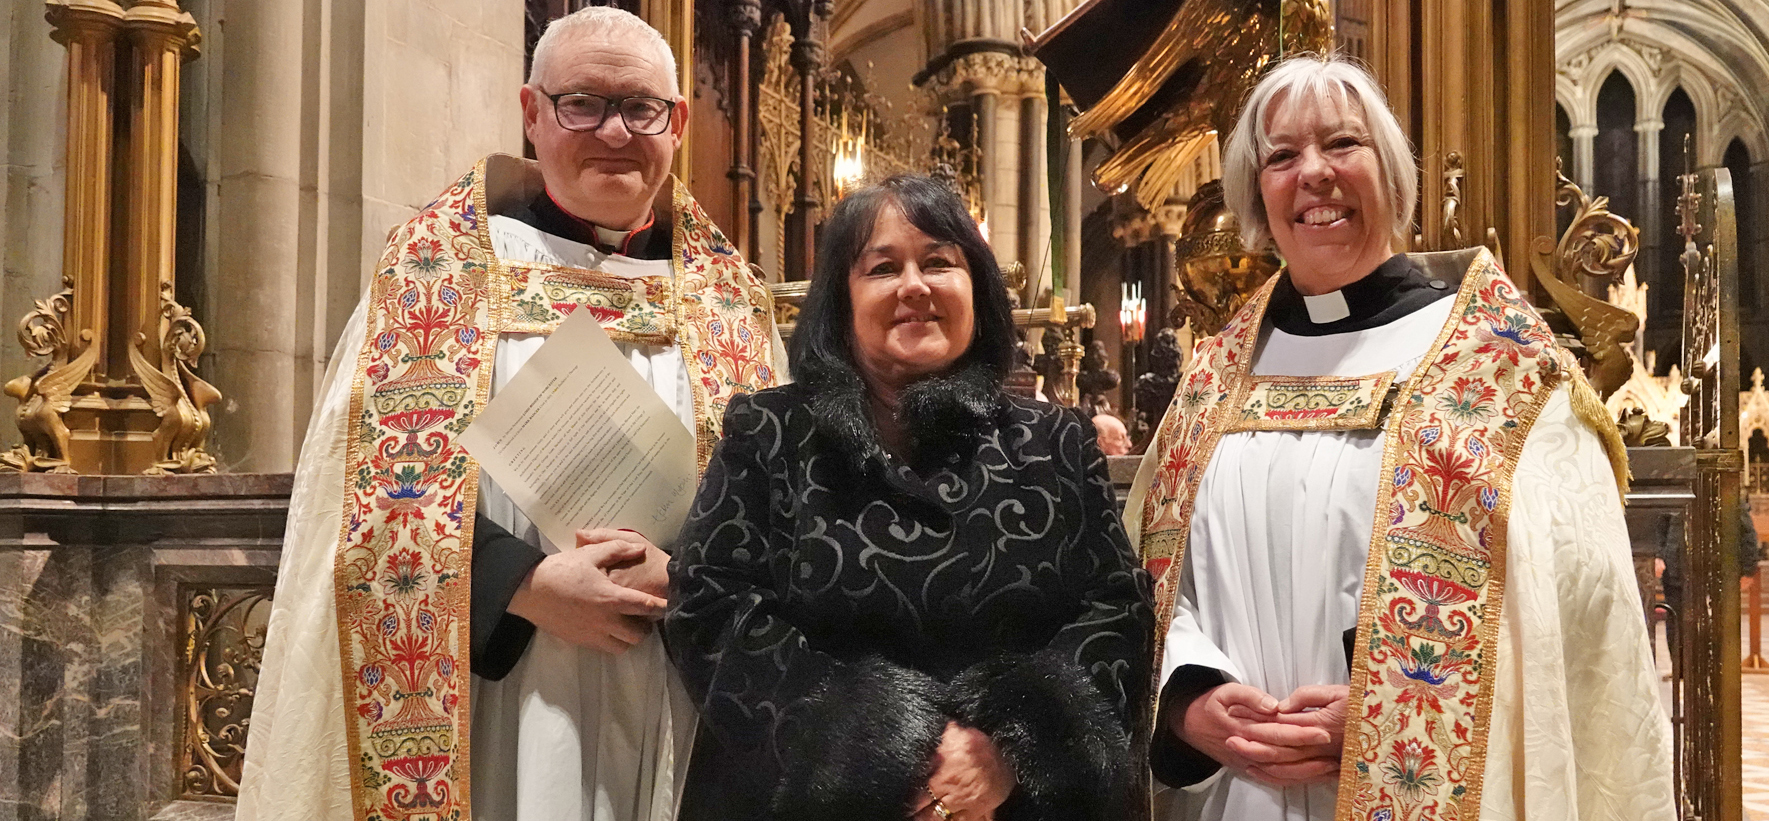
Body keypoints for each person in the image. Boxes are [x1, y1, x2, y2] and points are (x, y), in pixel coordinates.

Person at [236, 8, 782, 821]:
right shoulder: (434, 270)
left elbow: (778, 514)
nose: (614, 131)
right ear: (531, 112)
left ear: (677, 123)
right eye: (582, 104)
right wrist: (521, 584)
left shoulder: (730, 298)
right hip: (496, 687)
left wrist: (683, 576)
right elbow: (362, 499)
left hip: (672, 679)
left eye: (640, 108)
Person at [1124, 55, 1676, 820]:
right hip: (1234, 792)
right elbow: (1151, 582)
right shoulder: (1214, 376)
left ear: (1390, 170)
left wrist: (1398, 708)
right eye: (1280, 155)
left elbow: (1576, 619)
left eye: (1341, 143)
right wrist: (1187, 701)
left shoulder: (1502, 365)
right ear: (1256, 191)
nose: (1311, 173)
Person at [663, 174, 1154, 821]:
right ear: (841, 299)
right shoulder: (769, 431)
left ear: (976, 289)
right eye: (883, 267)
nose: (914, 285)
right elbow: (708, 602)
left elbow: (1116, 608)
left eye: (939, 262)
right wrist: (870, 747)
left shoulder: (1055, 440)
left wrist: (1014, 741)